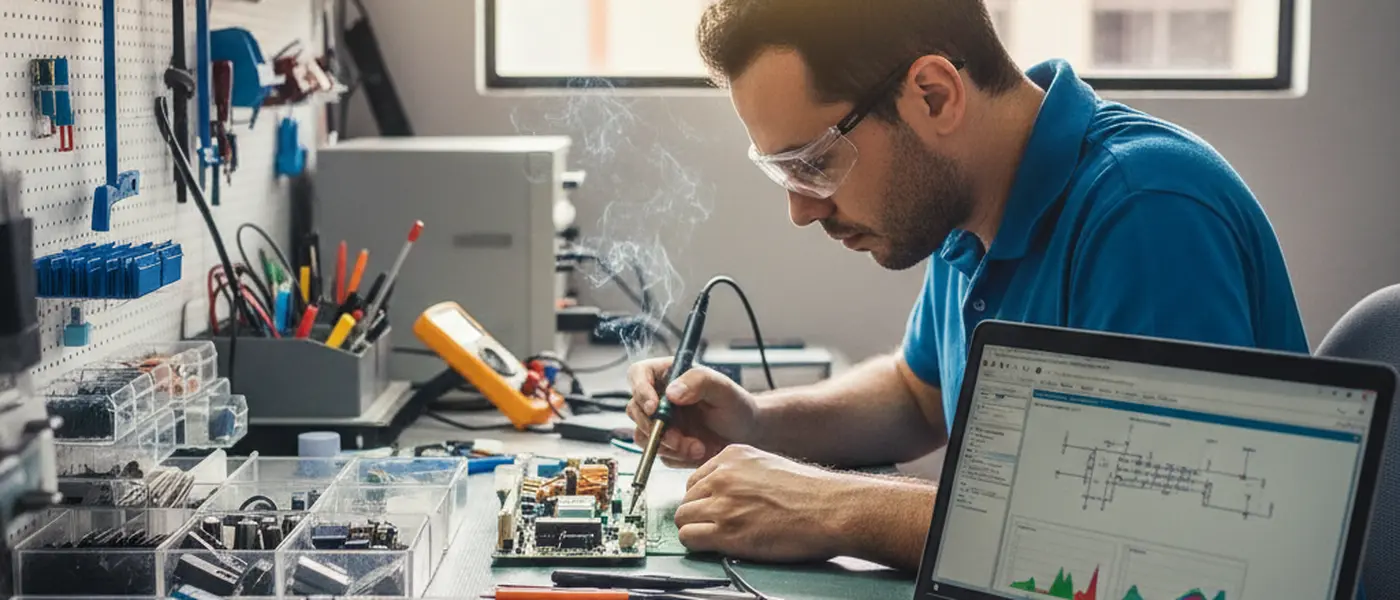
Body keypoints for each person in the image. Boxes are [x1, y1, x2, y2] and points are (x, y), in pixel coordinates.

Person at [624, 0, 1309, 572]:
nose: (803, 209)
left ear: (934, 95)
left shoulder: (1148, 211)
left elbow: (1155, 540)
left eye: (817, 162)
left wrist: (831, 507)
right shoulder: (967, 209)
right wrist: (758, 422)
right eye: (786, 173)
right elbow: (920, 396)